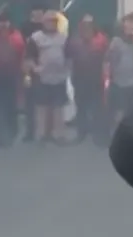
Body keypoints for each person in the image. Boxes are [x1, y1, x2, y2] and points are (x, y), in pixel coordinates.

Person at [25, 10, 70, 144]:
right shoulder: (35, 38)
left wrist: (67, 69)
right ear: (44, 22)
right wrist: (35, 68)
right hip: (42, 78)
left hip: (59, 77)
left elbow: (69, 56)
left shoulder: (63, 38)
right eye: (49, 21)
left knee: (58, 107)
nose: (52, 23)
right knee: (41, 107)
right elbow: (29, 57)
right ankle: (42, 135)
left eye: (54, 21)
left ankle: (59, 135)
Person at [0, 12, 25, 147]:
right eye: (1, 21)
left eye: (5, 21)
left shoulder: (17, 37)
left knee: (10, 107)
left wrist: (23, 74)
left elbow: (22, 56)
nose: (3, 24)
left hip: (12, 77)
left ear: (9, 22)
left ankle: (12, 133)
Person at [67, 14, 107, 143]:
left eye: (90, 24)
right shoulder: (74, 39)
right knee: (81, 107)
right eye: (85, 24)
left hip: (96, 79)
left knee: (97, 108)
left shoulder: (102, 39)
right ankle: (81, 133)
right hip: (79, 78)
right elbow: (68, 56)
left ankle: (98, 134)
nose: (87, 26)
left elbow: (106, 58)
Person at [107, 15, 133, 126]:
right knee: (119, 110)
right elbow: (109, 58)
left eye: (132, 24)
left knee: (130, 109)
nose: (130, 27)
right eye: (128, 24)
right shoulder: (116, 41)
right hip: (118, 81)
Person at [20, 4, 45, 142]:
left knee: (44, 102)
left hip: (45, 69)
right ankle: (30, 131)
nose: (38, 14)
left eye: (40, 11)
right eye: (36, 11)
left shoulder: (47, 27)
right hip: (28, 68)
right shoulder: (25, 27)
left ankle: (44, 132)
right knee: (29, 101)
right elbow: (21, 46)